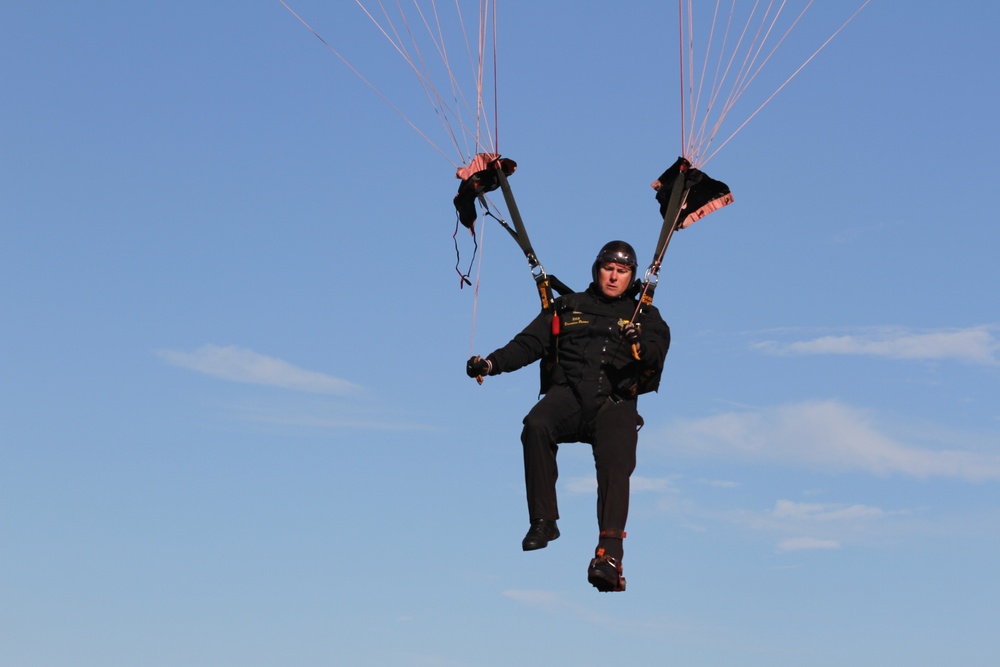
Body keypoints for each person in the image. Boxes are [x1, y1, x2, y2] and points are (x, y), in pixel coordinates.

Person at [466, 240, 670, 592]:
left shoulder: (644, 315)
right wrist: (490, 364)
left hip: (614, 402)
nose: (614, 277)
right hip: (569, 396)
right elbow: (529, 343)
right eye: (609, 269)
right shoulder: (567, 306)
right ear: (597, 269)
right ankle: (544, 521)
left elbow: (655, 353)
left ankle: (608, 556)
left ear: (632, 277)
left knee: (616, 463)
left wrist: (638, 344)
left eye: (622, 272)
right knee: (536, 423)